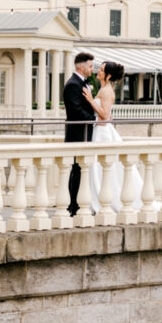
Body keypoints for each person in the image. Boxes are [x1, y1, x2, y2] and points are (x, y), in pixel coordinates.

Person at [81, 60, 157, 213]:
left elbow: (104, 114)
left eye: (101, 70)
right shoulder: (104, 89)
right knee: (99, 168)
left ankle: (105, 200)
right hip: (100, 131)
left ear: (108, 76)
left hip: (103, 133)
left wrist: (90, 100)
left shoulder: (107, 91)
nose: (98, 72)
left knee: (104, 168)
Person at [63, 52, 97, 215]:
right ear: (81, 67)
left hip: (84, 131)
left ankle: (77, 204)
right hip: (77, 133)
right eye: (90, 66)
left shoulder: (82, 83)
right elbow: (75, 111)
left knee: (80, 169)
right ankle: (73, 206)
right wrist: (93, 118)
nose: (92, 69)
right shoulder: (73, 84)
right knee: (76, 169)